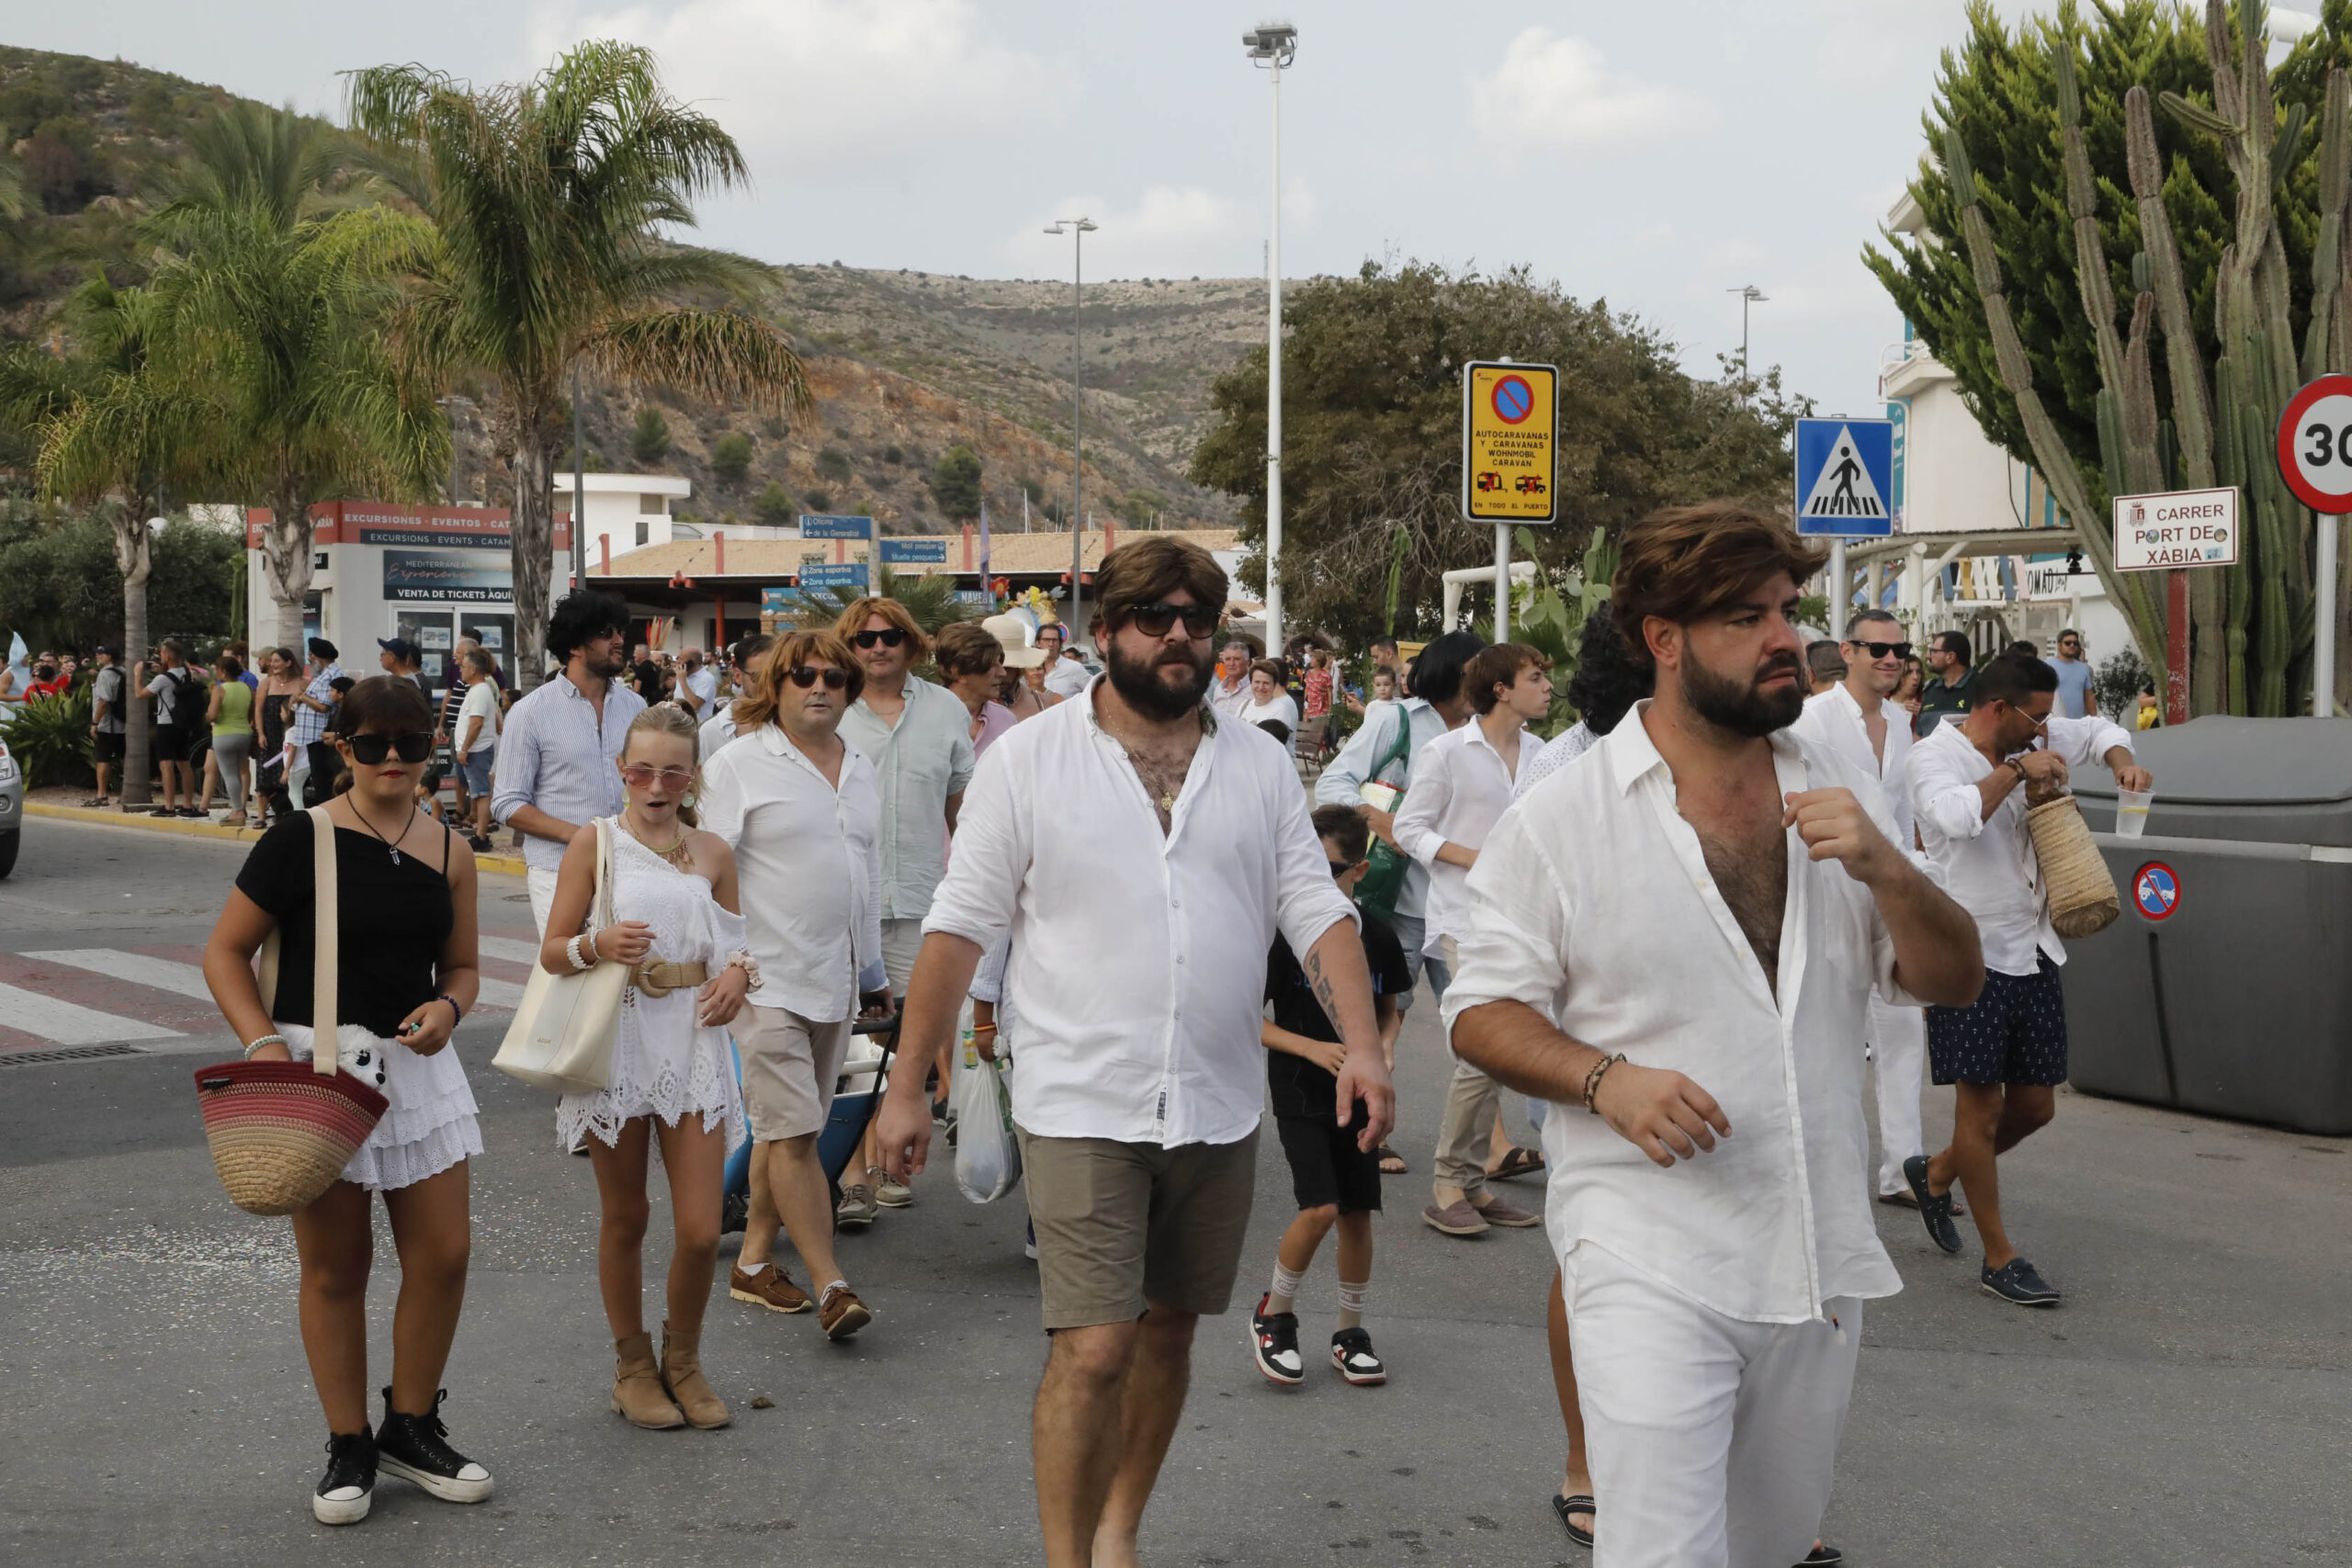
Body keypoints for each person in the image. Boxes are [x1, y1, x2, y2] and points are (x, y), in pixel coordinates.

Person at [1446, 501, 1983, 1568]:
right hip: (1644, 1243)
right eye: (1745, 616)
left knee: (1769, 1543)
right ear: (1663, 639)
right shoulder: (1562, 820)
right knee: (1661, 1551)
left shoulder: (1835, 796)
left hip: (1813, 1251)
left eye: (1785, 609)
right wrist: (1604, 1081)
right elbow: (1480, 1013)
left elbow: (1951, 977)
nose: (1785, 637)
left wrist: (1887, 865)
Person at [876, 535, 1392, 1568]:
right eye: (1155, 618)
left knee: (1166, 1330)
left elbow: (1309, 904)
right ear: (1105, 632)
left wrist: (1366, 1048)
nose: (1179, 637)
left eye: (1197, 621)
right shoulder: (1028, 758)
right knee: (1095, 1344)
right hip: (1077, 1095)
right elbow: (959, 923)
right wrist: (902, 1086)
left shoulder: (1255, 761)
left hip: (1214, 1098)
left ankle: (1119, 1533)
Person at [199, 675, 492, 1527]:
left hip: (417, 1069)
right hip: (322, 1064)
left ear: (432, 748)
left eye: (409, 742)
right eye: (373, 744)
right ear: (342, 748)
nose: (393, 758)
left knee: (443, 1253)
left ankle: (411, 1424)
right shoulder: (302, 837)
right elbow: (225, 953)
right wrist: (263, 1047)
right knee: (337, 1268)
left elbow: (463, 966)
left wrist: (451, 1007)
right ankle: (348, 1442)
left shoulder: (450, 848)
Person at [1904, 652, 2150, 1308]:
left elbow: (2098, 731)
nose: (2046, 732)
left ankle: (1937, 1172)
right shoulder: (1934, 757)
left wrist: (2122, 760)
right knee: (1979, 1111)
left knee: (2036, 1106)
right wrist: (2016, 770)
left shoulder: (2033, 728)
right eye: (2035, 720)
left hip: (2035, 951)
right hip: (1971, 956)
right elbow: (1954, 818)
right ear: (1997, 710)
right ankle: (1999, 1257)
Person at [540, 705, 754, 1430]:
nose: (654, 784)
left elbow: (737, 944)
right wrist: (596, 943)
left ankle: (684, 1361)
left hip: (692, 1042)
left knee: (699, 1228)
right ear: (621, 771)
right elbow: (552, 951)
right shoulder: (594, 843)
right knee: (626, 1215)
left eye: (671, 771)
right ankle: (633, 1367)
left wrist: (736, 978)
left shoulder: (714, 851)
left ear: (691, 776)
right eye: (640, 770)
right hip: (620, 1040)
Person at [1507, 604, 1653, 1551]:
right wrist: (1596, 1075)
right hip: (1591, 1069)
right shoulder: (1557, 784)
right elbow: (1492, 999)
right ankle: (1584, 1460)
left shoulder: (1761, 769)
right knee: (1593, 1260)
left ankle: (1760, 1488)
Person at [698, 629, 888, 1341]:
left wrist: (871, 974)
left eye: (835, 678)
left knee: (785, 1137)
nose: (820, 687)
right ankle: (831, 1283)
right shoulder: (738, 764)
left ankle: (751, 1261)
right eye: (804, 675)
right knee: (797, 1131)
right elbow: (704, 869)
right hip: (763, 978)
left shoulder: (861, 766)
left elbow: (861, 879)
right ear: (774, 686)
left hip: (833, 980)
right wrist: (727, 962)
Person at [1248, 804, 1411, 1390]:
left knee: (1357, 1213)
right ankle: (1276, 1314)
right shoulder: (1280, 936)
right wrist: (1311, 1049)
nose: (1312, 886)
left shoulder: (1380, 935)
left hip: (1360, 1094)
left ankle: (1350, 1332)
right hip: (1299, 1086)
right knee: (1318, 1206)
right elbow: (1247, 1019)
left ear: (1360, 870)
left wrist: (1381, 1049)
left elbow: (1391, 1011)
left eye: (1330, 871)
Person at [1394, 641, 1554, 1237]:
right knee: (1482, 1051)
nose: (1547, 687)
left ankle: (1474, 1184)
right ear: (1502, 689)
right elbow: (1408, 827)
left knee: (1497, 1053)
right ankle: (1446, 1183)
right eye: (1536, 677)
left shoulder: (1544, 753)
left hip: (1523, 921)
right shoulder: (1445, 752)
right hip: (1463, 918)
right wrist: (1476, 858)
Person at [1792, 609, 1942, 1216]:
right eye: (1877, 648)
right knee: (1829, 1035)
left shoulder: (1907, 724)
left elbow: (1908, 817)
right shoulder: (1812, 719)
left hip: (1893, 894)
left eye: (1899, 649)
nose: (1891, 658)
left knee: (1906, 1032)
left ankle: (1903, 1168)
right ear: (1847, 651)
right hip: (1827, 892)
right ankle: (1821, 1166)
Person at [832, 595, 977, 1223]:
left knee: (901, 1037)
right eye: (865, 639)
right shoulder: (828, 703)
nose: (878, 646)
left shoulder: (945, 709)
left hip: (921, 897)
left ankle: (890, 1160)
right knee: (846, 1038)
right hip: (842, 899)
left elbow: (963, 811)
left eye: (891, 635)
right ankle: (855, 1172)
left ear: (911, 642)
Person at [1313, 629, 1487, 1115]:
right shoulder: (1397, 720)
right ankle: (1367, 1123)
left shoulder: (1488, 731)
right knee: (1384, 1020)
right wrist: (1381, 820)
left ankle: (1485, 1149)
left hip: (1462, 903)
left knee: (1476, 1025)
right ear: (1459, 674)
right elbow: (1333, 780)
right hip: (1401, 900)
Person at [493, 592, 646, 932]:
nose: (620, 640)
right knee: (569, 977)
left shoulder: (635, 707)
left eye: (621, 630)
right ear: (576, 645)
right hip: (558, 870)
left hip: (630, 868)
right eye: (607, 632)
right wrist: (583, 838)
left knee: (626, 979)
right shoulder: (530, 713)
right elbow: (507, 802)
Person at [936, 620, 1017, 753]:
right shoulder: (923, 718)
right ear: (959, 673)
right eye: (991, 665)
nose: (1003, 673)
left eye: (1000, 663)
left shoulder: (1005, 720)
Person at [145, 639, 202, 818]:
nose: (160, 656)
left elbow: (140, 694)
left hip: (166, 723)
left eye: (162, 653)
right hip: (183, 723)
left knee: (166, 765)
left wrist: (138, 672)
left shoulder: (162, 679)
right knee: (184, 765)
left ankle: (169, 806)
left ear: (168, 656)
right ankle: (187, 804)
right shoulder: (188, 673)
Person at [452, 649, 502, 852]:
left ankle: (481, 836)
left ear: (472, 670)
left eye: (463, 667)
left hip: (477, 751)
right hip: (473, 751)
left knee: (481, 793)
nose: (460, 670)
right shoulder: (477, 690)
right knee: (477, 793)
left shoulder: (480, 691)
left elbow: (476, 723)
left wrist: (464, 749)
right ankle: (479, 831)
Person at [288, 639, 345, 811]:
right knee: (318, 778)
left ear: (319, 657)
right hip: (312, 736)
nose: (309, 659)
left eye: (311, 655)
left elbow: (324, 706)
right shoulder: (321, 675)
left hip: (321, 735)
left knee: (323, 779)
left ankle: (327, 813)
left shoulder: (330, 675)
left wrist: (303, 697)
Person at [697, 634, 775, 755]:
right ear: (738, 676)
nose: (770, 684)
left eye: (776, 676)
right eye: (760, 677)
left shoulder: (793, 729)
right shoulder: (712, 732)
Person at [208, 650, 256, 827]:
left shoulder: (219, 689)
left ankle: (237, 812)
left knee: (230, 774)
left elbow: (213, 715)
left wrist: (208, 716)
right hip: (244, 733)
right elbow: (251, 713)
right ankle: (240, 807)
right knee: (241, 770)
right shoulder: (247, 688)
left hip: (224, 733)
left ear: (224, 672)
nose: (216, 672)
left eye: (218, 669)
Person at [983, 612, 1053, 721]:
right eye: (991, 665)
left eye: (1007, 667)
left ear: (1019, 668)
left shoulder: (1043, 704)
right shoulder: (967, 706)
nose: (1000, 673)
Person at [1915, 629, 1976, 737]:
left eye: (1933, 651)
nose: (1928, 656)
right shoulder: (1930, 690)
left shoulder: (1981, 689)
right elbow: (1919, 734)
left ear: (1950, 657)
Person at [87, 646, 125, 807]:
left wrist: (95, 723)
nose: (97, 655)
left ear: (109, 657)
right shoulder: (124, 671)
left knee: (103, 759)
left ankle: (101, 795)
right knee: (125, 758)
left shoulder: (104, 675)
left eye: (101, 653)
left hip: (107, 724)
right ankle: (127, 792)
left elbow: (103, 701)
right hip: (125, 723)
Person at [1238, 657, 1301, 737]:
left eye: (1266, 683)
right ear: (1251, 683)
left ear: (1274, 685)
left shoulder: (1280, 710)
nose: (1261, 687)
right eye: (1257, 682)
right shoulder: (1244, 705)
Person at [1042, 621, 1094, 700]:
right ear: (1038, 642)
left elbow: (1094, 692)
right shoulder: (1030, 669)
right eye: (1046, 640)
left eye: (1054, 640)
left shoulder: (1074, 668)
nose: (1051, 644)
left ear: (1060, 643)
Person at [2050, 627, 2094, 718]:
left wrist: (2095, 719)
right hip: (2054, 723)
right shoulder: (2047, 666)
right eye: (2068, 643)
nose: (2072, 645)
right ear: (2059, 645)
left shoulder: (2084, 668)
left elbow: (2089, 697)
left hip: (2078, 724)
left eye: (2075, 643)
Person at [1211, 639, 1255, 717]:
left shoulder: (1255, 688)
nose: (1231, 664)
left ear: (1247, 662)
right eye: (1228, 659)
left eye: (1237, 659)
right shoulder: (1219, 689)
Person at [677, 648, 717, 721]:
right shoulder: (682, 674)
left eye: (681, 659)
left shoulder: (706, 678)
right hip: (679, 722)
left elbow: (694, 705)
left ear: (691, 662)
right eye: (678, 658)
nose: (678, 661)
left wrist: (683, 681)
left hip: (696, 725)